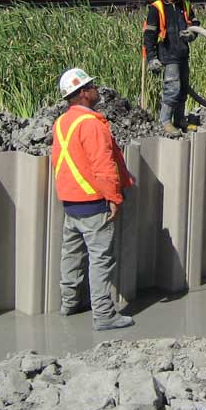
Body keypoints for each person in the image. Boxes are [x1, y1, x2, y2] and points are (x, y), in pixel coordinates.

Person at [53, 67, 136, 330]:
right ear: (84, 93)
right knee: (100, 259)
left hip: (71, 201)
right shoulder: (91, 124)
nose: (96, 89)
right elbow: (103, 165)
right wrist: (114, 197)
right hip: (92, 202)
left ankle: (69, 303)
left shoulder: (62, 122)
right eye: (92, 85)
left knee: (72, 254)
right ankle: (103, 314)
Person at [142, 0, 198, 134]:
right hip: (168, 55)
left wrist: (192, 34)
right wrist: (152, 58)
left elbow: (195, 23)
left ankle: (180, 120)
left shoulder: (185, 5)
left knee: (183, 88)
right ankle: (166, 121)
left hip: (182, 54)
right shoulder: (156, 8)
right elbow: (149, 35)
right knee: (172, 88)